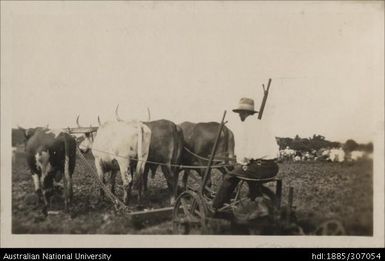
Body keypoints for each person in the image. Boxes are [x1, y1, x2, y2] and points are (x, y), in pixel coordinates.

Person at [212, 97, 279, 211]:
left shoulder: (247, 125)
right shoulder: (263, 124)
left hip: (259, 168)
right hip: (272, 167)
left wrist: (241, 162)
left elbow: (245, 152)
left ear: (244, 113)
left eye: (240, 113)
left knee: (230, 177)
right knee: (248, 173)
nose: (239, 115)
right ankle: (258, 200)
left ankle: (215, 207)